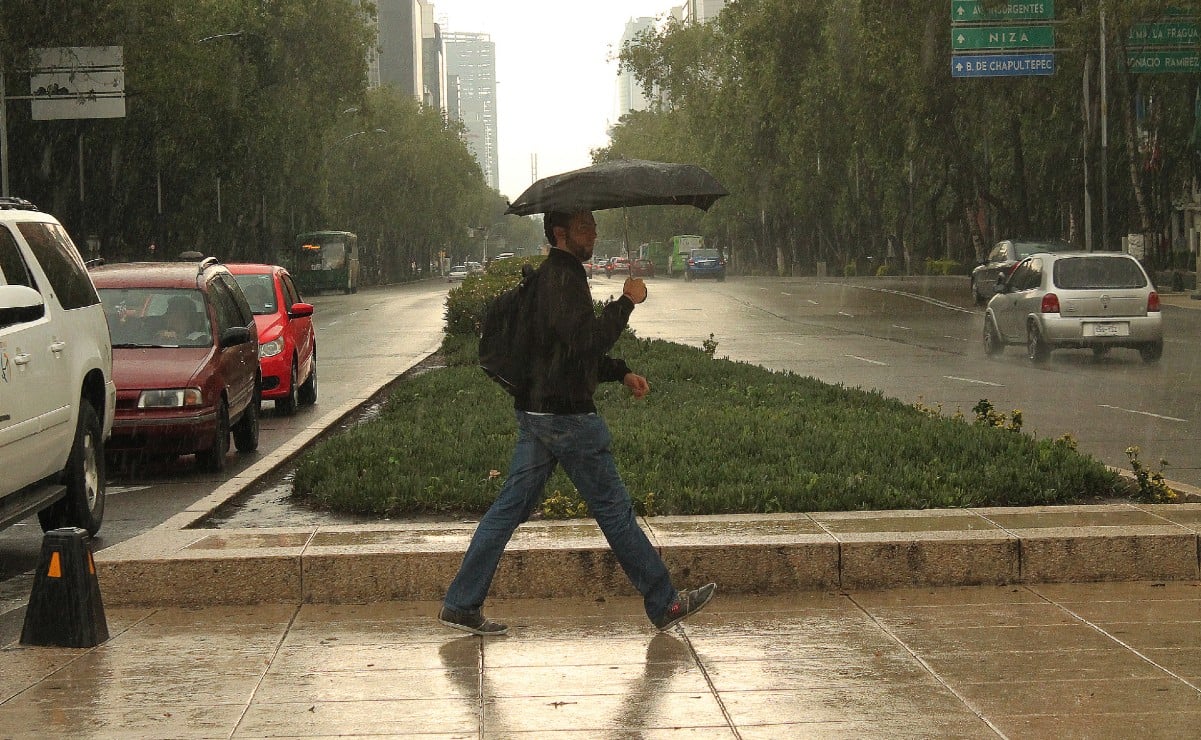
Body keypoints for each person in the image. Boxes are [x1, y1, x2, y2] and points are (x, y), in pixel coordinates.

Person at [439, 209, 716, 636]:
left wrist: (620, 372)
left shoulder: (550, 278)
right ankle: (665, 603)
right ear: (561, 232)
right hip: (567, 418)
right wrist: (627, 302)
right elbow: (586, 342)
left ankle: (461, 603)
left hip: (537, 412)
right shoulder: (562, 280)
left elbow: (565, 352)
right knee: (615, 512)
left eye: (594, 226)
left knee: (508, 509)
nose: (595, 233)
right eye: (586, 227)